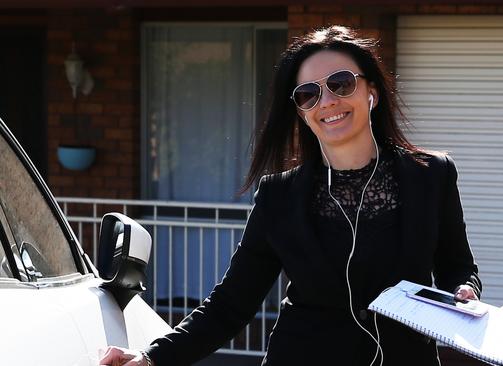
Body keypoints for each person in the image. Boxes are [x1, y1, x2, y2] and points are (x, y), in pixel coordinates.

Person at [99, 25, 481, 366]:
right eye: (308, 94)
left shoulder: (432, 175)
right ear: (300, 112)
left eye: (342, 83)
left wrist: (464, 290)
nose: (327, 101)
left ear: (373, 94)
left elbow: (457, 265)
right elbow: (231, 304)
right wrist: (151, 358)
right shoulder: (278, 196)